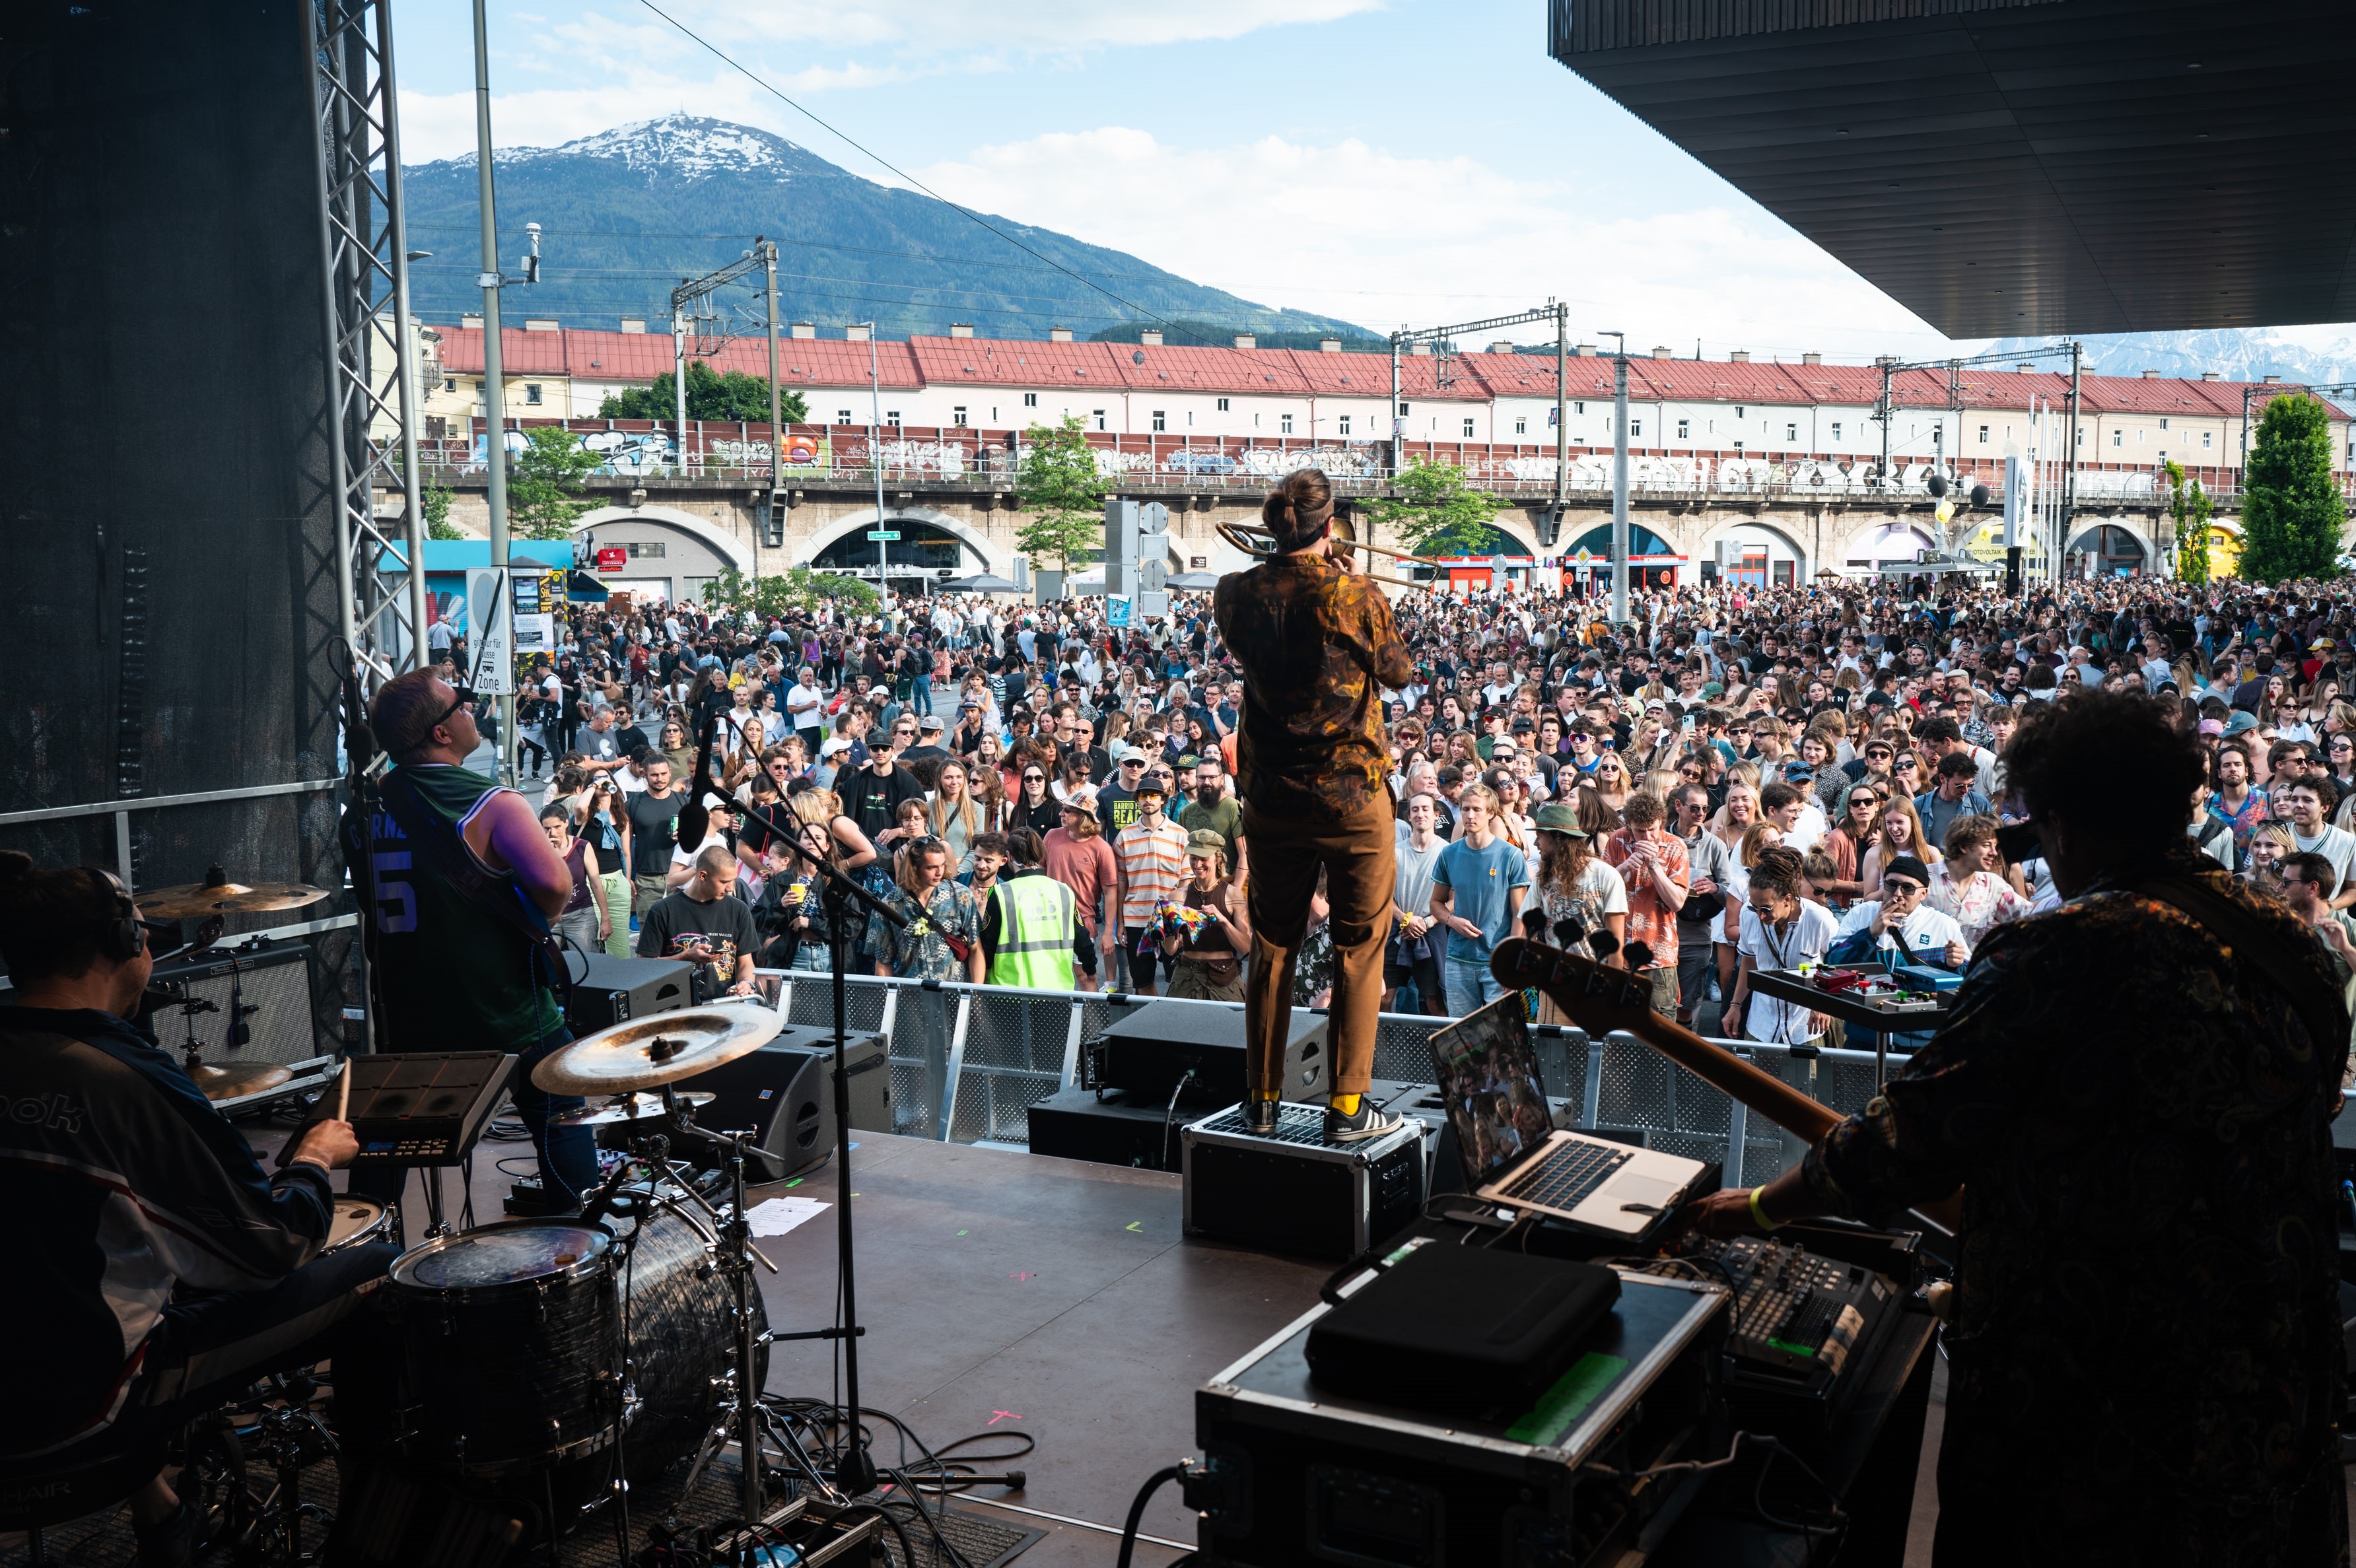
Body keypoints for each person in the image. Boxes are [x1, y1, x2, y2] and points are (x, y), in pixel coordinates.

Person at [1689, 691, 2349, 1563]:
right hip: (2269, 1367)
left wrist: (1763, 1209)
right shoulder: (2289, 941)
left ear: (2067, 826)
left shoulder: (2062, 950)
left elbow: (1914, 1133)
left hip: (2093, 1380)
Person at [0, 856, 380, 1566]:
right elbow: (269, 1249)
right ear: (122, 944)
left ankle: (164, 1512)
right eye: (144, 931)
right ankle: (374, 1534)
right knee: (380, 1271)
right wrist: (314, 1160)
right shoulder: (116, 1076)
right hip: (71, 1417)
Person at [1213, 469, 1415, 1142]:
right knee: (1360, 947)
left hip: (1272, 797)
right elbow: (1398, 671)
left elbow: (1262, 627)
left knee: (1273, 943)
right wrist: (1347, 574)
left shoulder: (1234, 593)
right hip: (1352, 797)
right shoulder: (1353, 591)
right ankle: (1347, 1107)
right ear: (1329, 525)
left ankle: (1262, 1100)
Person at [361, 670, 596, 1206]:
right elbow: (557, 883)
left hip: (409, 1007)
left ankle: (362, 1247)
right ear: (441, 734)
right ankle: (576, 1240)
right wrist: (540, 925)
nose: (470, 710)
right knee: (561, 1113)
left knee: (387, 1136)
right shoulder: (493, 802)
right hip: (496, 1001)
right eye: (459, 706)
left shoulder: (372, 802)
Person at [1429, 783, 1531, 1015]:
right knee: (1463, 1036)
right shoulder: (1449, 854)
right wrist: (1452, 921)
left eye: (1477, 809)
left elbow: (1519, 914)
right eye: (1465, 809)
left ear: (1490, 813)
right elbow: (1435, 903)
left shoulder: (1510, 856)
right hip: (1458, 958)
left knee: (1503, 1035)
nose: (1470, 815)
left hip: (1497, 961)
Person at [1720, 845, 1837, 1044]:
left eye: (1765, 908)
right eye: (1754, 907)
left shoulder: (1819, 919)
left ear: (1787, 899)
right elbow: (1750, 962)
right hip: (1762, 1025)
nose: (1759, 915)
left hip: (1806, 1028)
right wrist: (1735, 1005)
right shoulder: (1749, 916)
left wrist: (1823, 1004)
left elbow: (1837, 966)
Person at [1603, 790, 1690, 1019]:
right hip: (1618, 956)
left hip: (1658, 958)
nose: (1648, 837)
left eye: (1652, 829)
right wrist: (1623, 869)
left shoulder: (1675, 847)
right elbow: (1599, 893)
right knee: (1616, 1025)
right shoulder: (1618, 840)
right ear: (1629, 825)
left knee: (1658, 1030)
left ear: (1661, 822)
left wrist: (1654, 866)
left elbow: (1677, 902)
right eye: (1640, 831)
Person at [637, 843, 761, 996]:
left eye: (733, 881)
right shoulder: (662, 910)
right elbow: (643, 966)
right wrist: (685, 957)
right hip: (675, 1006)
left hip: (723, 1005)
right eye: (724, 882)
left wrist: (747, 983)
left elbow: (746, 964)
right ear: (703, 876)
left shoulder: (739, 910)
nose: (730, 888)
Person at [1111, 774, 1189, 997]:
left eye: (1153, 795)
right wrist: (1120, 923)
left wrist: (1182, 922)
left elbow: (1186, 882)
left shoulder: (1180, 835)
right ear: (1137, 800)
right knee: (1143, 983)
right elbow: (1121, 882)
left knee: (1179, 982)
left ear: (1163, 800)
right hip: (1136, 919)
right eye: (1144, 795)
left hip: (1170, 919)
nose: (1148, 800)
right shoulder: (1125, 836)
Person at [869, 836, 986, 984]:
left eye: (942, 865)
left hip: (953, 994)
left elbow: (976, 949)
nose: (939, 872)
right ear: (914, 868)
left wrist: (975, 996)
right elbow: (883, 962)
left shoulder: (961, 896)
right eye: (931, 867)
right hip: (910, 996)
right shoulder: (890, 905)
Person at [981, 829, 1079, 991]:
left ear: (1009, 856)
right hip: (1058, 991)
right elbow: (1082, 942)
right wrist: (1089, 969)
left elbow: (987, 945)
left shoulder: (1001, 893)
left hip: (1010, 992)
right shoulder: (1064, 891)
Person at [1162, 829, 1251, 1002]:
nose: (1197, 864)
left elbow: (1246, 947)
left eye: (1204, 858)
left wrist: (1224, 921)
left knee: (1227, 1027)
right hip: (1186, 976)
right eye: (1193, 858)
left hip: (1223, 977)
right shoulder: (1177, 897)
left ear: (1218, 859)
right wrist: (1167, 924)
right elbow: (1170, 949)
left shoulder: (1234, 896)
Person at [1041, 798, 1117, 992]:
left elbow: (1110, 892)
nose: (1061, 814)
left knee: (1086, 978)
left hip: (1082, 923)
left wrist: (1108, 933)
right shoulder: (1051, 836)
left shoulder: (1102, 848)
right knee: (1049, 977)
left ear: (1083, 817)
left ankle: (1094, 1024)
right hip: (1048, 920)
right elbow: (1039, 873)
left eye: (1067, 811)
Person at [1384, 792, 1449, 1015]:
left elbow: (1455, 899)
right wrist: (1405, 920)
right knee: (1385, 996)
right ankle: (1383, 1048)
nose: (1420, 814)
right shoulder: (1394, 852)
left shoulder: (1446, 852)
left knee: (1434, 1001)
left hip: (1431, 930)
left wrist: (1428, 922)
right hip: (1398, 929)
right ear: (1409, 817)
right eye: (1415, 810)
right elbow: (1383, 896)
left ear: (1435, 815)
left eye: (1425, 809)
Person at [540, 803, 610, 957]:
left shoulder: (582, 847)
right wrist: (547, 854)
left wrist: (606, 919)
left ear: (566, 823)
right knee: (548, 964)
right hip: (550, 917)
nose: (552, 833)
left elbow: (596, 884)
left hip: (581, 914)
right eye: (547, 828)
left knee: (587, 961)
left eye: (557, 826)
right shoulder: (538, 851)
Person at [626, 757, 687, 922]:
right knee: (648, 934)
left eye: (663, 774)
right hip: (646, 879)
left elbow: (696, 843)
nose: (660, 779)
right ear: (645, 775)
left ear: (670, 773)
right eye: (654, 775)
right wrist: (628, 878)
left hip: (680, 877)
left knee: (681, 934)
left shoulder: (683, 802)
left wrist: (685, 837)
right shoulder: (633, 804)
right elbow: (625, 846)